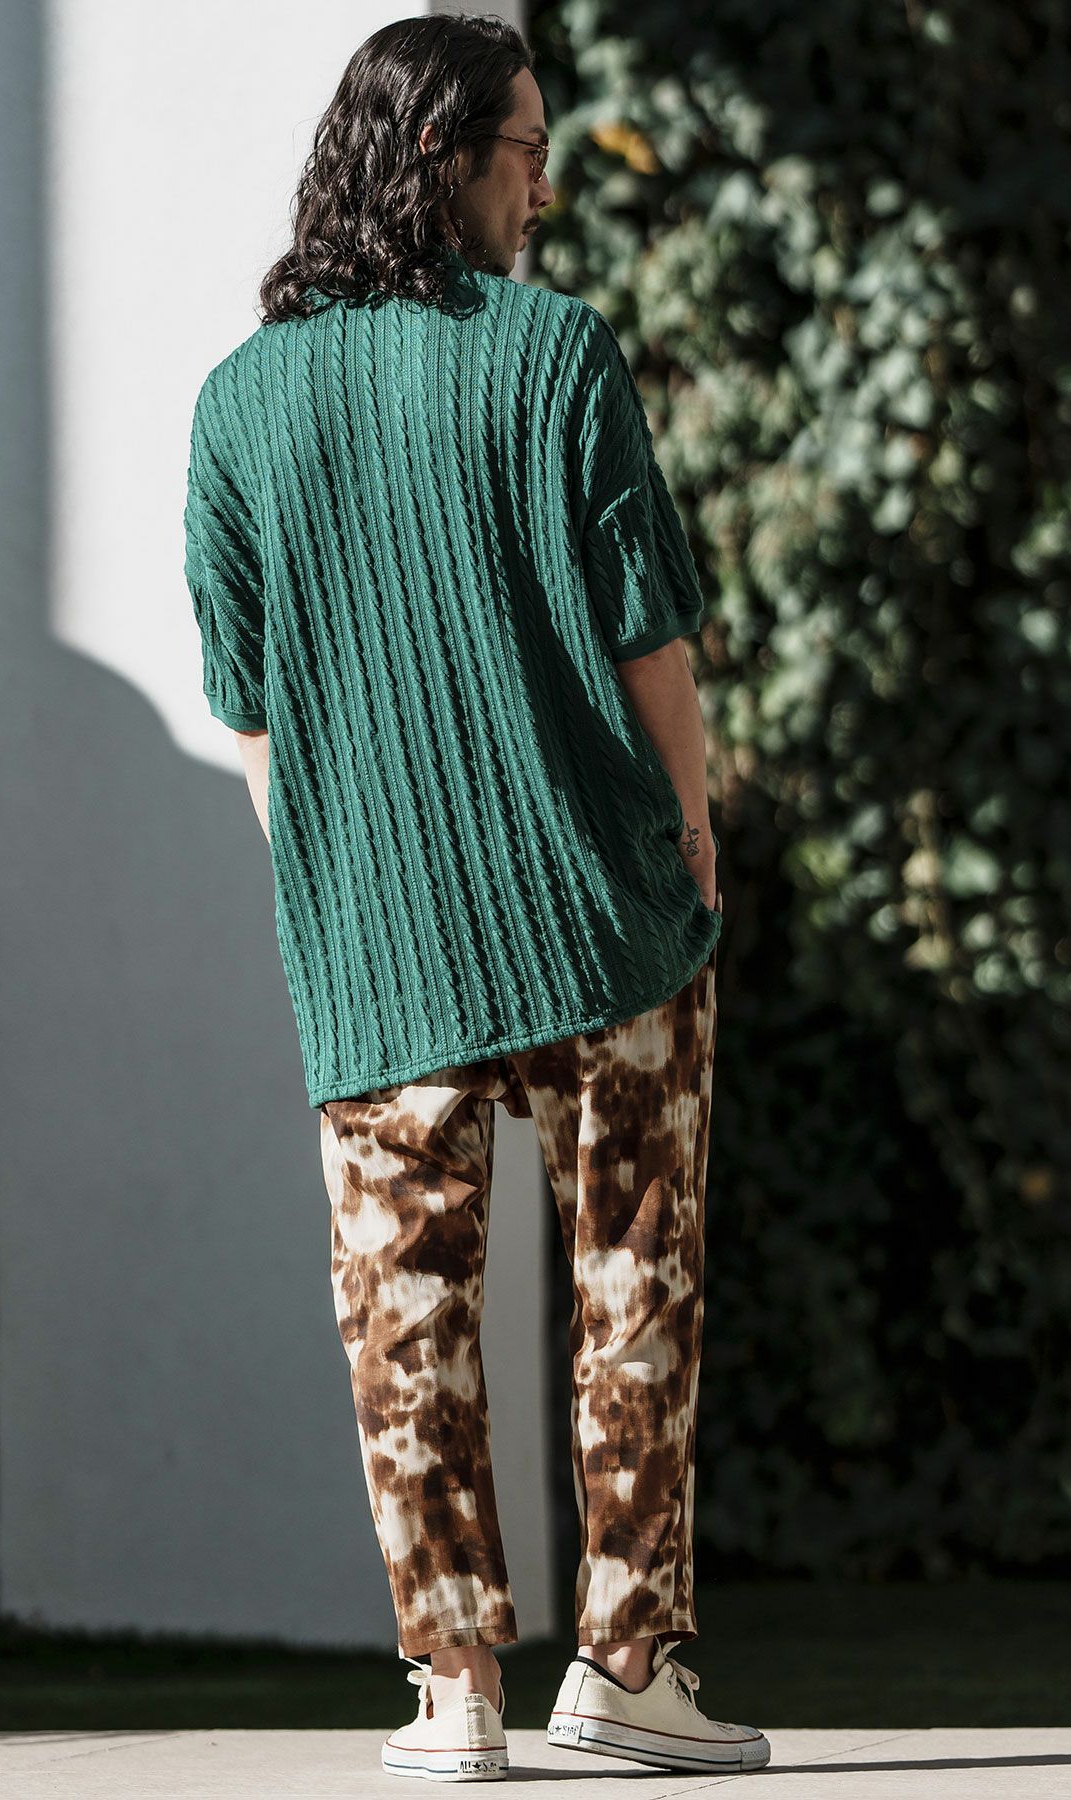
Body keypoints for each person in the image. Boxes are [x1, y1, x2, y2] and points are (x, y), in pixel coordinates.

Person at [182, 11, 770, 1783]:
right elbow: (648, 634)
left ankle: (454, 1698)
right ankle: (627, 1670)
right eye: (526, 151)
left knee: (405, 1323)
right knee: (634, 1286)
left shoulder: (236, 406)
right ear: (441, 156)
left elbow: (256, 717)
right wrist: (692, 819)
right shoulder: (553, 353)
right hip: (595, 911)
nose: (542, 189)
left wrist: (336, 895)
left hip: (378, 947)